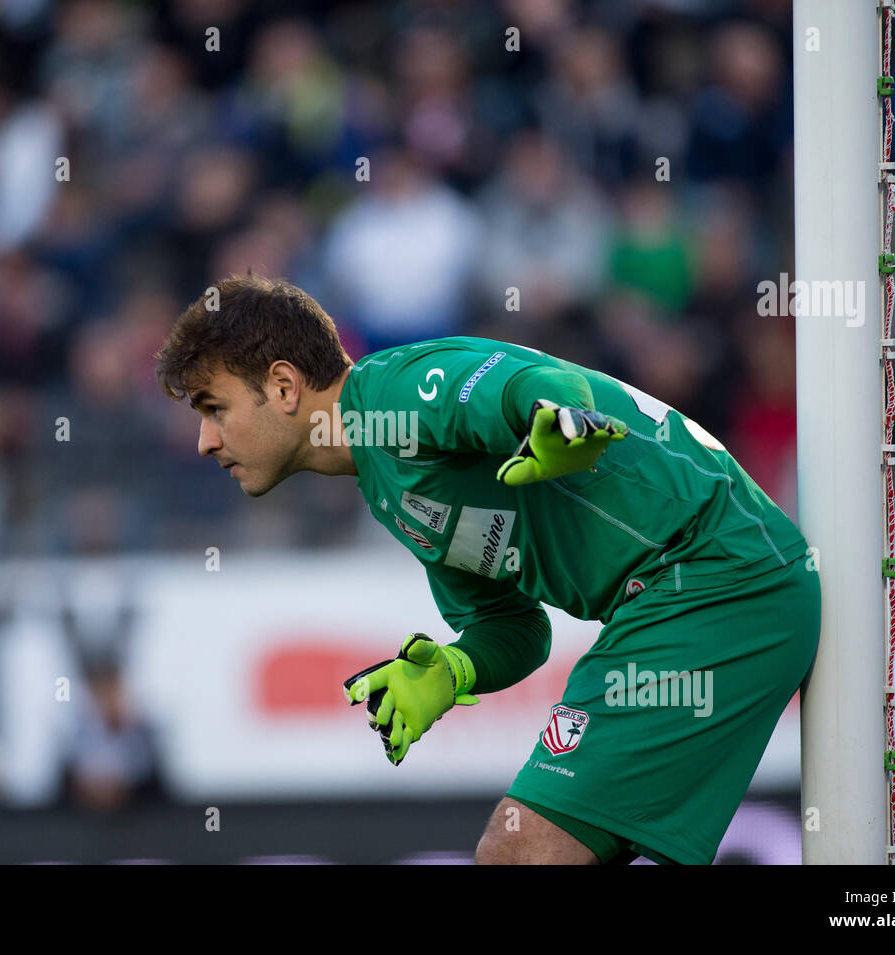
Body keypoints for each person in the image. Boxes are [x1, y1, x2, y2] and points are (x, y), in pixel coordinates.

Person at [155, 273, 820, 866]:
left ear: (282, 384)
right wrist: (454, 669)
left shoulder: (393, 392)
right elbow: (512, 626)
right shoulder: (385, 482)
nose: (205, 439)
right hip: (685, 594)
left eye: (214, 408)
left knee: (521, 851)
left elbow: (532, 384)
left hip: (714, 574)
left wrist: (557, 422)